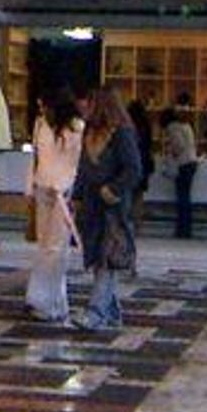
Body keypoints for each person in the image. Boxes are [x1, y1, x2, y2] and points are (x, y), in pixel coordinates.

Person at [72, 88, 142, 331]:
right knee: (98, 258)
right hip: (91, 206)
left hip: (112, 207)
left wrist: (114, 188)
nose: (85, 108)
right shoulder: (89, 133)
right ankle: (111, 313)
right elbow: (83, 168)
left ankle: (96, 312)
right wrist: (78, 195)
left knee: (106, 259)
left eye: (90, 103)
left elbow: (133, 168)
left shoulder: (121, 133)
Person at [26, 88, 83, 324]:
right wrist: (29, 188)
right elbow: (35, 158)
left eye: (44, 105)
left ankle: (42, 299)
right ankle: (56, 303)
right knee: (47, 246)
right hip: (44, 188)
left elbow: (77, 161)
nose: (41, 109)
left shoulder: (76, 128)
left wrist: (75, 192)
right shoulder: (41, 125)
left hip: (63, 192)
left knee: (55, 248)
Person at [160, 105, 199, 239]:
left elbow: (178, 146)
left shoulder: (173, 127)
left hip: (183, 164)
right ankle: (187, 229)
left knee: (182, 198)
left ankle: (182, 230)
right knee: (186, 197)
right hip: (192, 161)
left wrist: (169, 149)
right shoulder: (186, 125)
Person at [127, 96, 155, 229]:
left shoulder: (128, 125)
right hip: (144, 161)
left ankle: (127, 221)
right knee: (139, 195)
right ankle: (138, 223)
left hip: (131, 161)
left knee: (127, 193)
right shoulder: (146, 124)